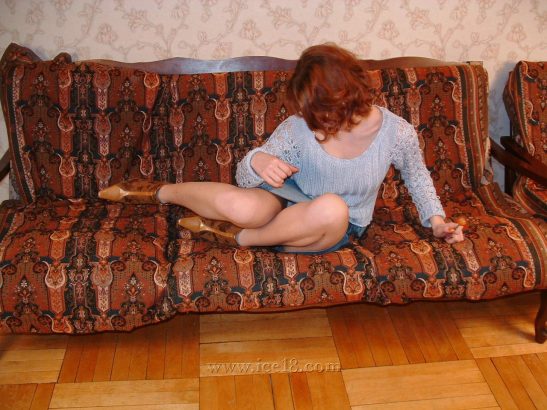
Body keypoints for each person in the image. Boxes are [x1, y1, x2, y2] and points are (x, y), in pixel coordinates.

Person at [99, 43, 464, 253]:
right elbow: (244, 177)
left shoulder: (396, 133)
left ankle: (236, 237)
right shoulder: (299, 126)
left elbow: (418, 177)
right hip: (287, 201)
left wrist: (437, 222)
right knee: (242, 205)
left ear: (348, 96)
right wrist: (259, 161)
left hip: (334, 225)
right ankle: (157, 191)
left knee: (331, 207)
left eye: (322, 113)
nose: (314, 123)